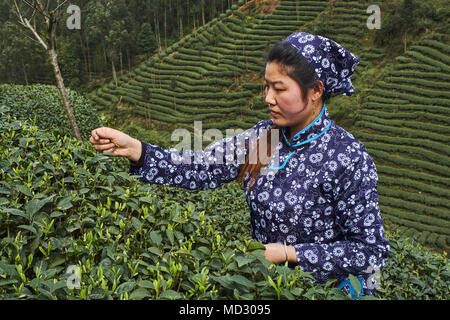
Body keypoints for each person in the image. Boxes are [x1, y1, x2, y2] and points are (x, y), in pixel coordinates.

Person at [90, 32, 389, 297]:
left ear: (315, 90)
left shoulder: (346, 156)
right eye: (266, 87)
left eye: (280, 88)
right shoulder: (264, 137)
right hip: (267, 287)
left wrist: (291, 254)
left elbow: (371, 252)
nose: (268, 98)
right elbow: (202, 166)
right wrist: (139, 150)